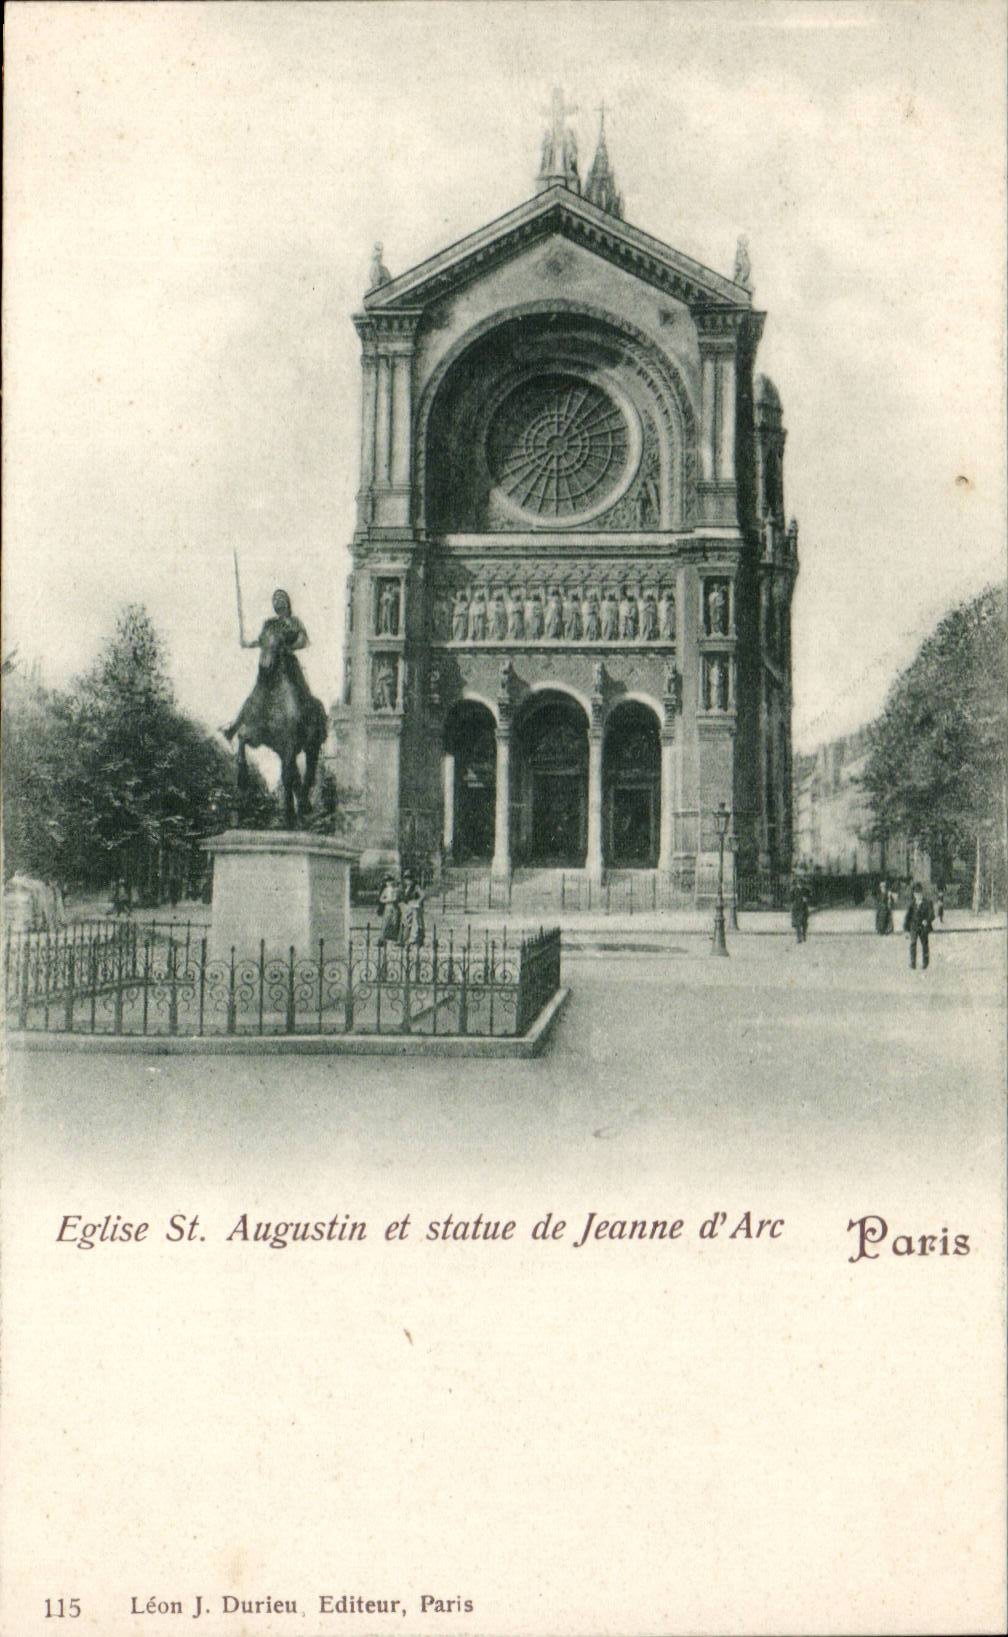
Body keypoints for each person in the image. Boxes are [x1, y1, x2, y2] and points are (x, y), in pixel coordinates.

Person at [222, 589, 311, 739]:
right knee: (255, 695)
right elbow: (262, 641)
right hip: (270, 665)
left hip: (287, 662)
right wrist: (248, 644)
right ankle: (234, 727)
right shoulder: (269, 624)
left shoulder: (295, 622)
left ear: (287, 602)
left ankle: (308, 725)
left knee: (301, 689)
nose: (278, 601)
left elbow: (303, 641)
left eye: (281, 598)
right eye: (275, 599)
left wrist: (289, 647)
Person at [903, 881, 935, 971]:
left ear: (922, 893)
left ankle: (925, 963)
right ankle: (912, 963)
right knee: (913, 944)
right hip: (913, 927)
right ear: (914, 894)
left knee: (924, 944)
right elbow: (907, 917)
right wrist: (906, 930)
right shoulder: (912, 904)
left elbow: (932, 914)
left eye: (919, 893)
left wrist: (927, 920)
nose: (918, 895)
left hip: (923, 927)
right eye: (916, 894)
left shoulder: (928, 903)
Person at [399, 874, 425, 949]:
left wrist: (417, 902)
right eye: (406, 879)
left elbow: (423, 895)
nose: (408, 881)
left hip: (414, 907)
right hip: (407, 907)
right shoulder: (406, 887)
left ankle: (415, 940)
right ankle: (405, 941)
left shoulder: (416, 887)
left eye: (409, 879)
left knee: (415, 923)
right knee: (406, 923)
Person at [376, 876, 401, 948]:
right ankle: (382, 940)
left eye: (390, 881)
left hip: (395, 907)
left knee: (394, 922)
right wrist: (387, 900)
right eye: (387, 882)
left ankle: (394, 940)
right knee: (385, 923)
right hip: (388, 907)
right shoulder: (385, 890)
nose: (389, 883)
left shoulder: (396, 889)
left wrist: (393, 899)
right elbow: (381, 899)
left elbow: (396, 898)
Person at [790, 879, 810, 945]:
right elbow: (791, 899)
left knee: (804, 924)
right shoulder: (794, 890)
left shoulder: (807, 890)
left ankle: (804, 935)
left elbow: (810, 898)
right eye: (799, 883)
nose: (800, 884)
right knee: (797, 924)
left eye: (802, 883)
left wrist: (807, 899)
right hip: (796, 908)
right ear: (797, 883)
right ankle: (799, 938)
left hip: (804, 908)